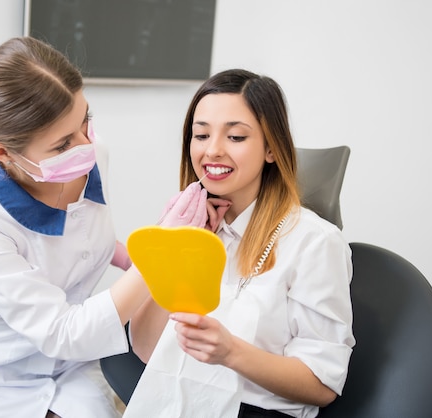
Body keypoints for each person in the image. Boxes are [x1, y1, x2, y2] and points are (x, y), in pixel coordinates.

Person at [0, 36, 209, 418]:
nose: (85, 146)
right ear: (3, 152)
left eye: (86, 121)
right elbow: (63, 332)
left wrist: (131, 256)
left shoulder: (93, 157)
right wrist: (158, 255)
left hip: (74, 371)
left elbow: (78, 236)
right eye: (62, 144)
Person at [125, 69, 355, 418]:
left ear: (272, 149)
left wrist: (231, 352)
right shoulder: (194, 228)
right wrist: (175, 244)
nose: (212, 150)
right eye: (200, 134)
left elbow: (321, 385)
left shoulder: (315, 242)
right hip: (178, 400)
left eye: (235, 137)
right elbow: (144, 348)